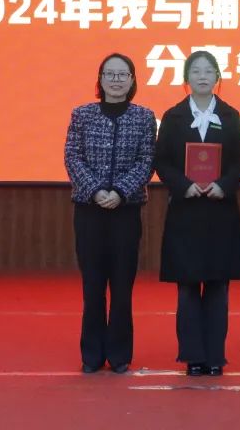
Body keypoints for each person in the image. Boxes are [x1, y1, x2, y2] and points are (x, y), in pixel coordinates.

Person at [155, 50, 240, 377]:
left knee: (217, 287)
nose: (202, 76)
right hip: (185, 212)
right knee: (187, 288)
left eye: (208, 71)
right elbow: (161, 161)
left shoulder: (230, 114)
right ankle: (192, 356)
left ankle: (214, 357)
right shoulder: (173, 117)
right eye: (195, 71)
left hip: (220, 212)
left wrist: (224, 184)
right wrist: (184, 185)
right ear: (186, 79)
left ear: (217, 78)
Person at [64, 53, 156, 375]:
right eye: (110, 74)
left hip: (125, 211)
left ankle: (119, 354)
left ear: (132, 80)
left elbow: (146, 161)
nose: (116, 80)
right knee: (92, 286)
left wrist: (119, 192)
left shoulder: (144, 117)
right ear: (100, 79)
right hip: (89, 210)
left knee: (121, 286)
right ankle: (91, 354)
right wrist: (95, 191)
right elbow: (72, 157)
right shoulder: (82, 115)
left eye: (122, 75)